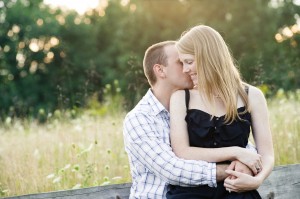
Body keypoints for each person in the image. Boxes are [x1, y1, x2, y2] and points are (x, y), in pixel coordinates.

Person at [123, 40, 261, 199]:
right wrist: (233, 168)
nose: (189, 68)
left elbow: (235, 142)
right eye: (181, 62)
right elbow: (172, 170)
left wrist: (246, 159)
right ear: (160, 70)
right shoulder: (139, 119)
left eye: (189, 61)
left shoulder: (195, 106)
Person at [167, 25, 274, 198]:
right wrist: (237, 152)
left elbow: (267, 154)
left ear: (207, 58)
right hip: (190, 192)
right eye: (182, 63)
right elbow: (183, 151)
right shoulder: (181, 98)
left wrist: (257, 180)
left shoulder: (252, 96)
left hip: (237, 188)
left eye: (189, 61)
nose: (185, 70)